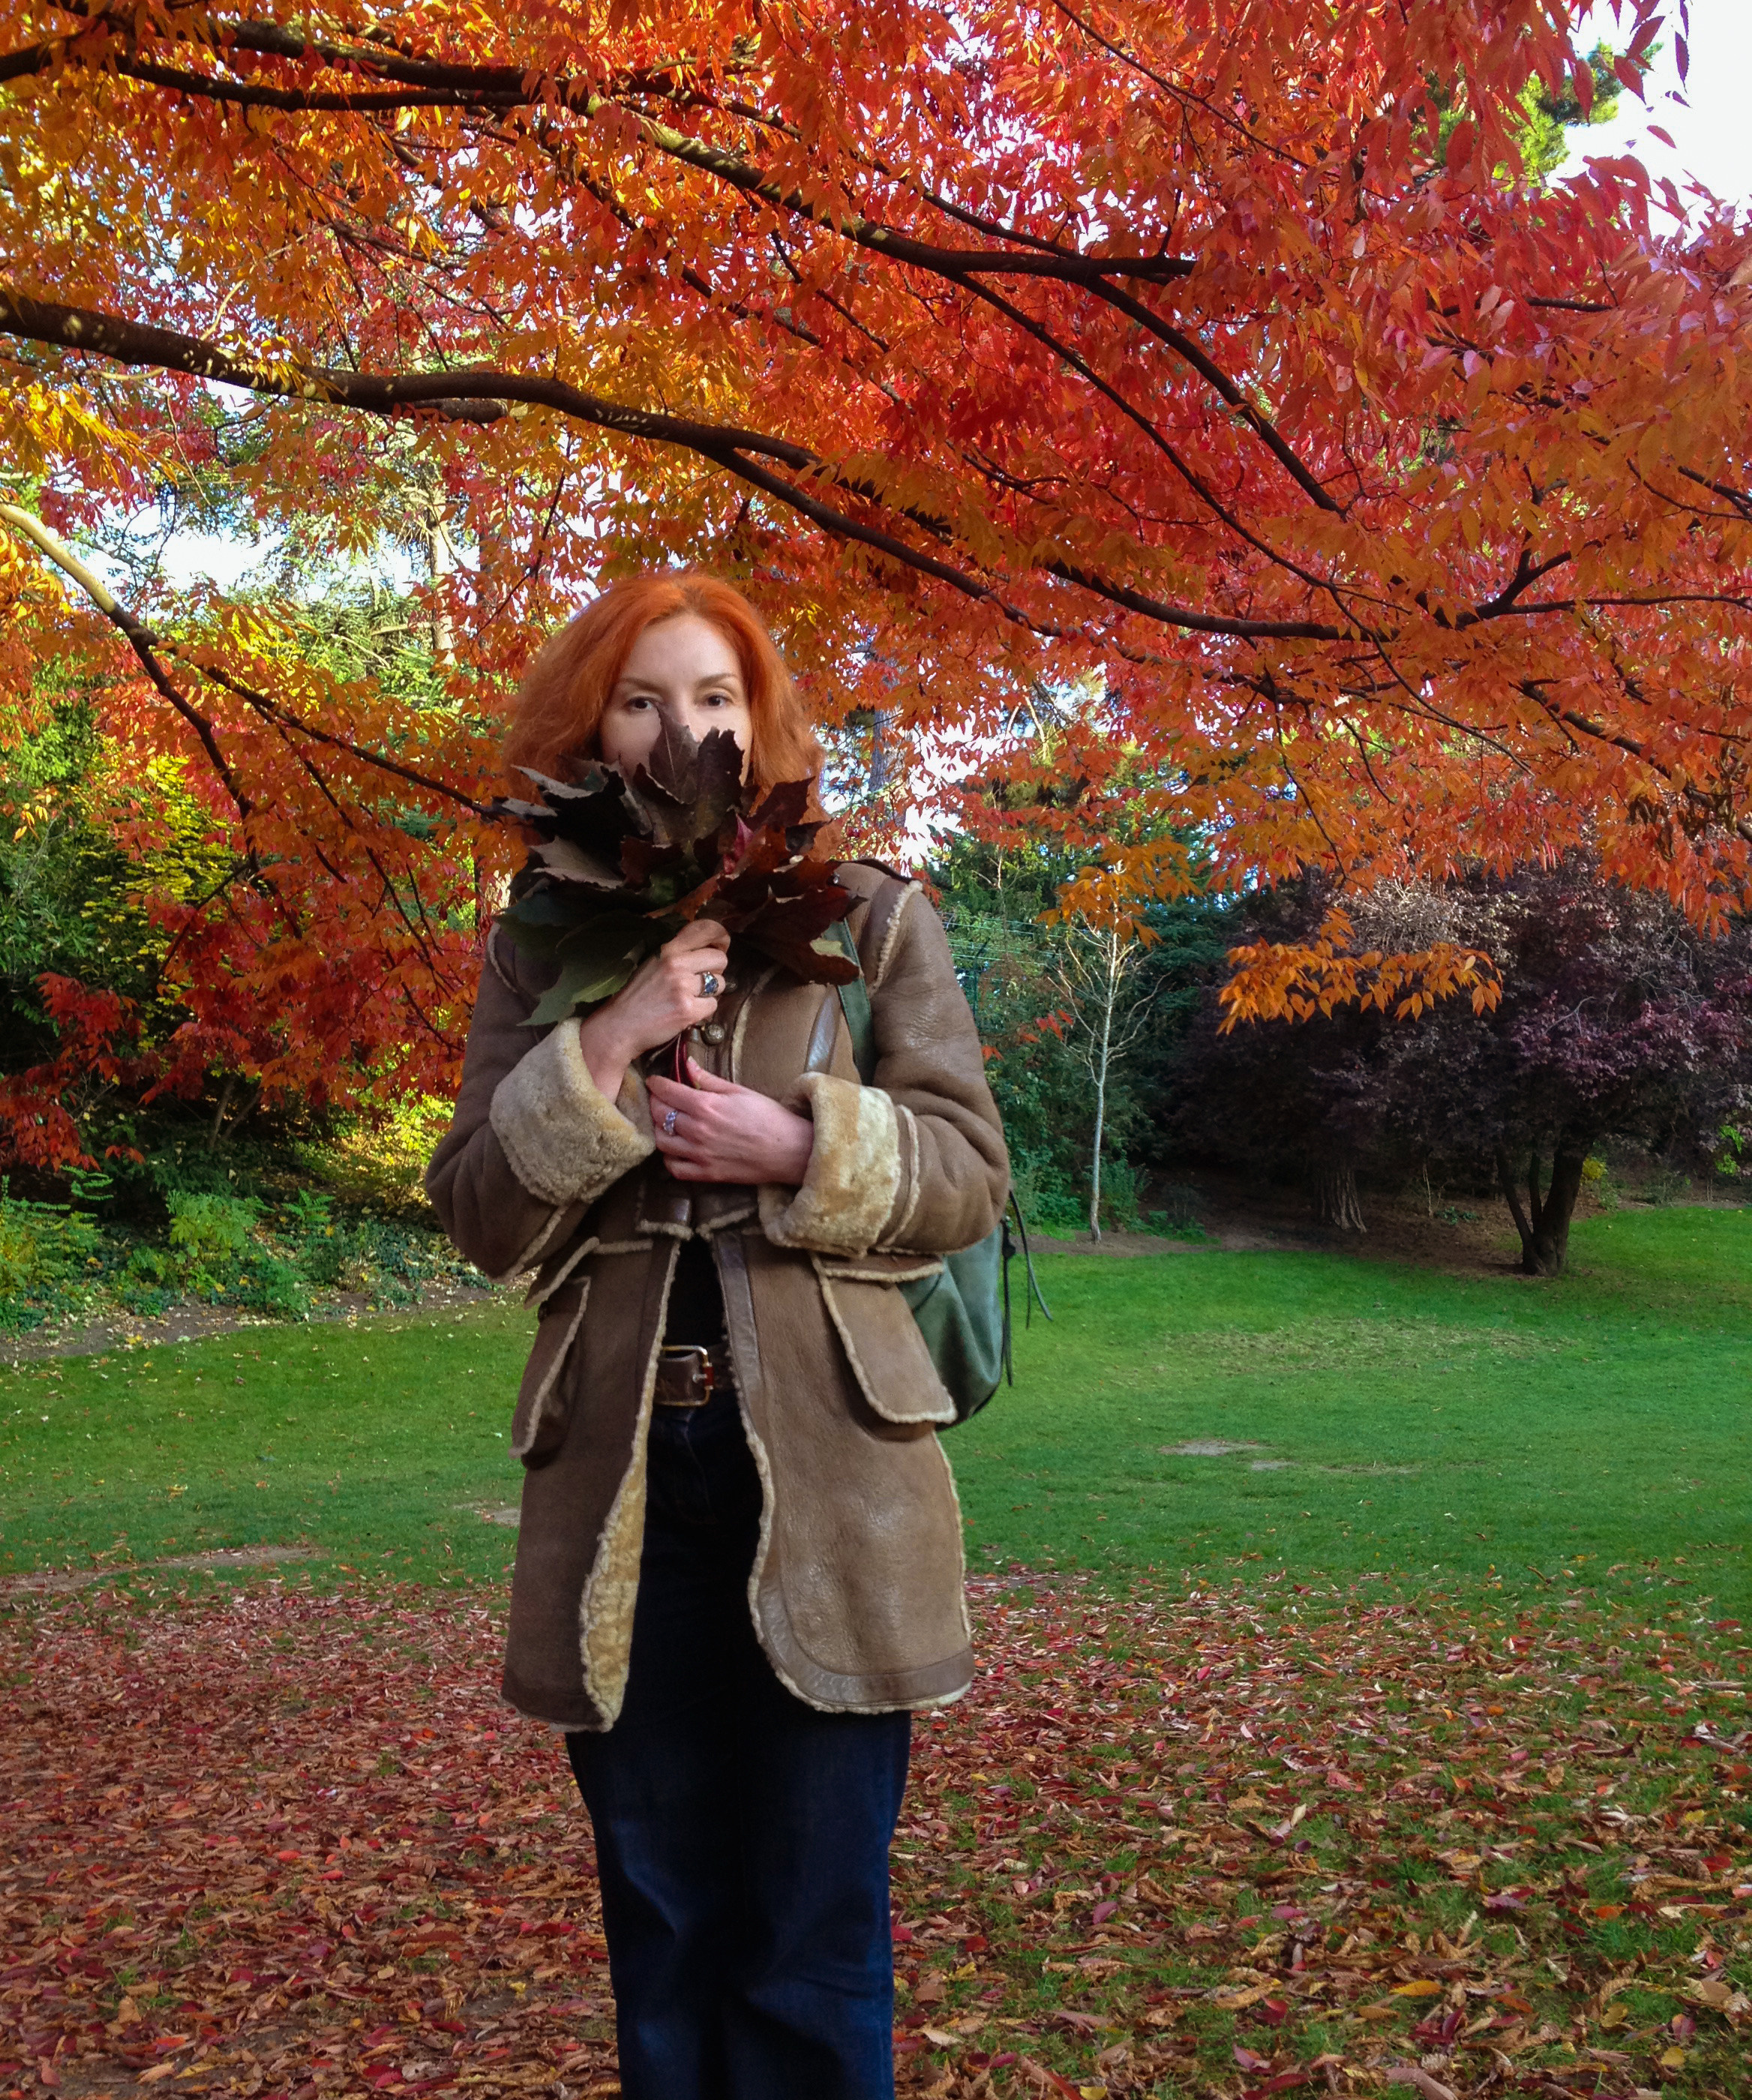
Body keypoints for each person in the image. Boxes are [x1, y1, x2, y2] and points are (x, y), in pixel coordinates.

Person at [426, 572, 1010, 2100]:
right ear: (593, 725)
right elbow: (482, 1210)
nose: (676, 729)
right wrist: (606, 1039)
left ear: (757, 725)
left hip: (830, 1474)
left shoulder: (872, 909)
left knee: (808, 1938)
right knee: (667, 1929)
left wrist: (801, 1140)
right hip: (626, 1481)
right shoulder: (539, 935)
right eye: (639, 697)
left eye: (709, 698)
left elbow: (967, 1175)